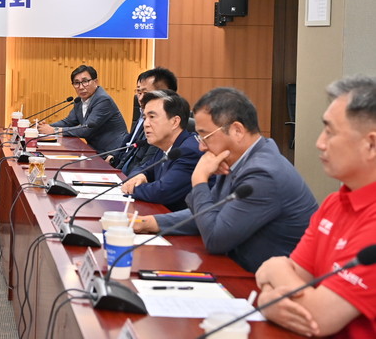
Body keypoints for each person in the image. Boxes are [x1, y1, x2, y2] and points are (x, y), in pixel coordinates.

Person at [132, 87, 317, 273]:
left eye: (205, 136)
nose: (201, 147)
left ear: (237, 130)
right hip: (238, 268)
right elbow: (210, 212)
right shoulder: (238, 158)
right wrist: (151, 222)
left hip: (265, 280)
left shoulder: (262, 173)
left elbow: (215, 239)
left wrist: (199, 180)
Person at [255, 76, 376, 338]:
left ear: (371, 144)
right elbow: (295, 276)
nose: (320, 143)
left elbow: (319, 318)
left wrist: (275, 270)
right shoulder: (334, 203)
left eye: (330, 132)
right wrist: (267, 300)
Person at [120, 90, 202, 211]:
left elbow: (163, 191)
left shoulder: (189, 150)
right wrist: (140, 176)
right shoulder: (165, 145)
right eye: (145, 118)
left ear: (175, 122)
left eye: (152, 117)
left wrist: (133, 188)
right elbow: (143, 168)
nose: (146, 124)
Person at [38, 65, 127, 155]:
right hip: (95, 151)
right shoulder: (79, 101)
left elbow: (86, 129)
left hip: (114, 153)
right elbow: (68, 122)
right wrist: (44, 128)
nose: (81, 87)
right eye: (76, 83)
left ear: (96, 82)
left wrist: (54, 130)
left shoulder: (103, 100)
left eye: (85, 81)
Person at [113, 67, 178, 173]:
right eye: (139, 92)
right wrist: (116, 170)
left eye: (146, 93)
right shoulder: (144, 115)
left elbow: (145, 168)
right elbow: (130, 152)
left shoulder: (164, 126)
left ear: (164, 94)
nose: (140, 99)